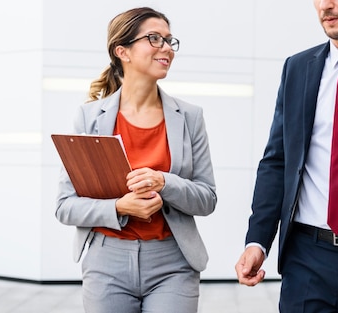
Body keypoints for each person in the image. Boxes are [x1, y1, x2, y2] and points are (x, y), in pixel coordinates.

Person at [234, 0, 338, 312]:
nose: (326, 5)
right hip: (306, 256)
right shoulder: (297, 68)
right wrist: (257, 241)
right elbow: (277, 161)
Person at [55, 7, 217, 313]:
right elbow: (65, 206)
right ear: (123, 51)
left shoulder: (190, 118)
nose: (167, 48)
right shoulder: (89, 118)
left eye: (170, 41)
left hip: (173, 262)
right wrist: (119, 207)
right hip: (106, 263)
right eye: (154, 39)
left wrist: (164, 182)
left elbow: (207, 198)